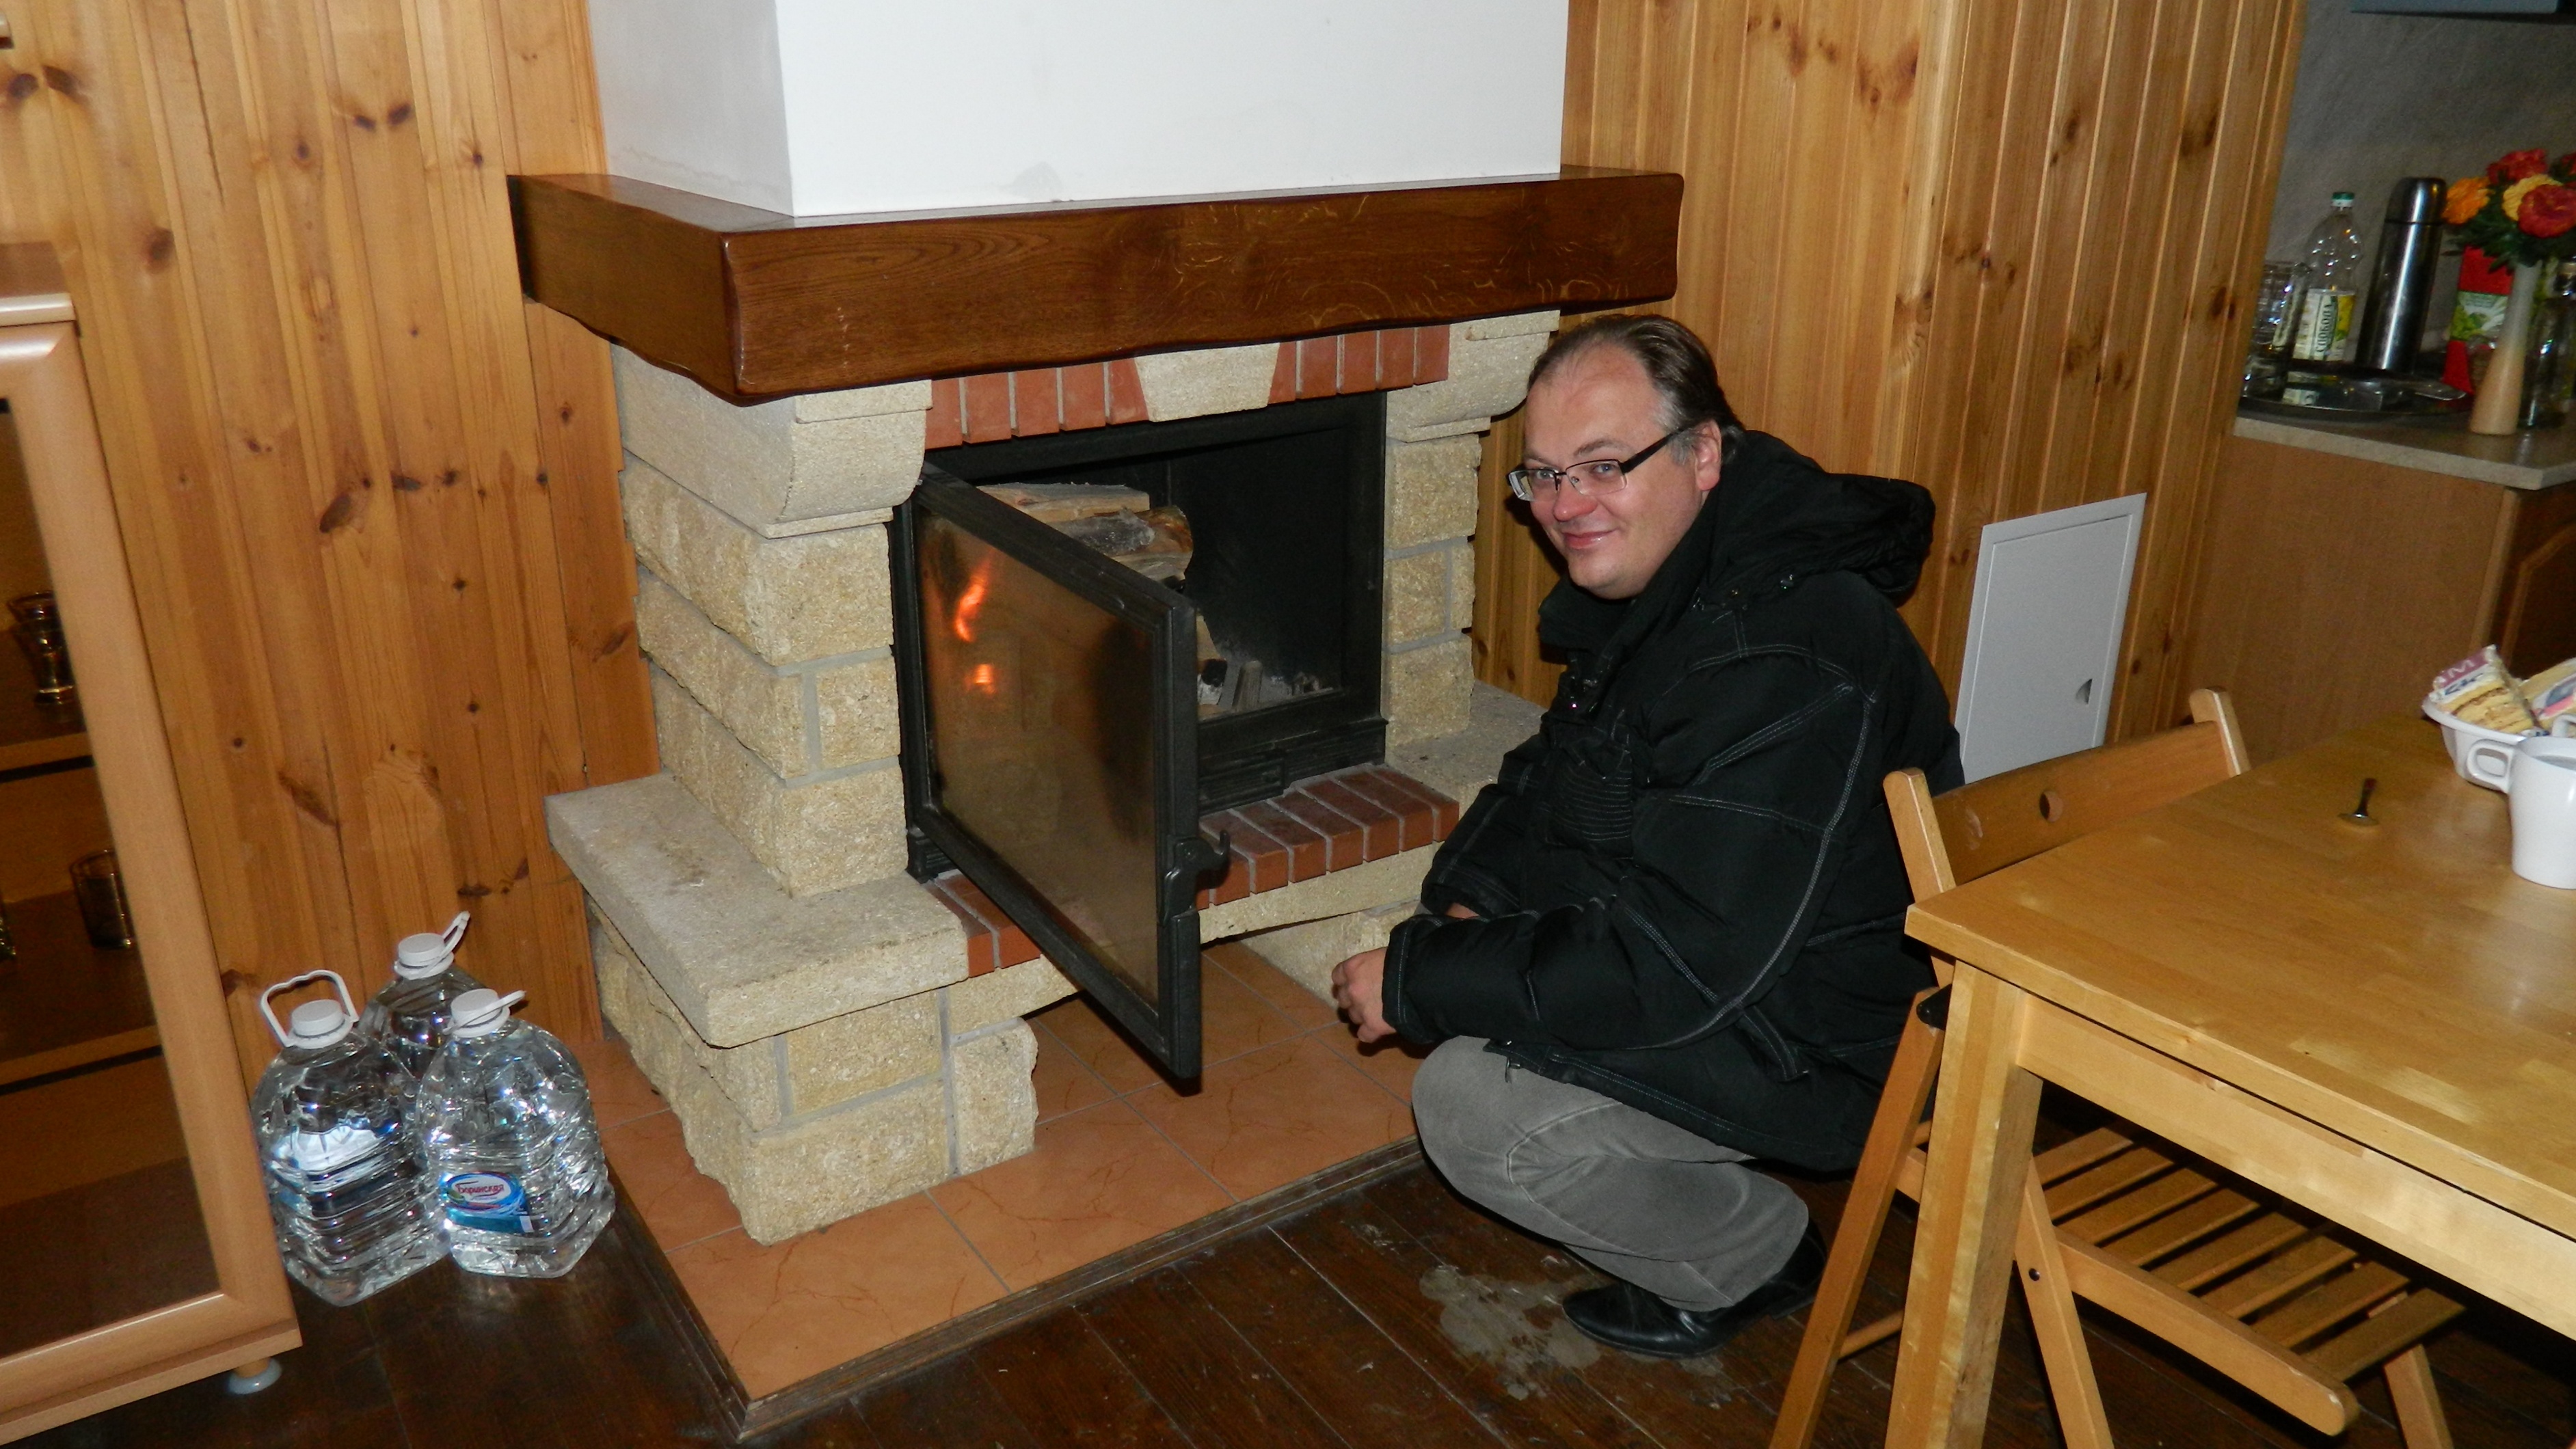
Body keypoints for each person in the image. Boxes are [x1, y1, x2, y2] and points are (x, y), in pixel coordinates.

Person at [1332, 314, 1960, 1359]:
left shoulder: (1780, 652)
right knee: (1481, 983)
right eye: (1543, 475)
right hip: (1749, 967)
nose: (1565, 505)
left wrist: (1419, 979)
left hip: (1831, 1036)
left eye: (1603, 465)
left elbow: (1679, 963)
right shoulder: (1681, 580)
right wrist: (1469, 901)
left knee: (1474, 1111)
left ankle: (1754, 1252)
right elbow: (1555, 772)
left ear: (1703, 453)